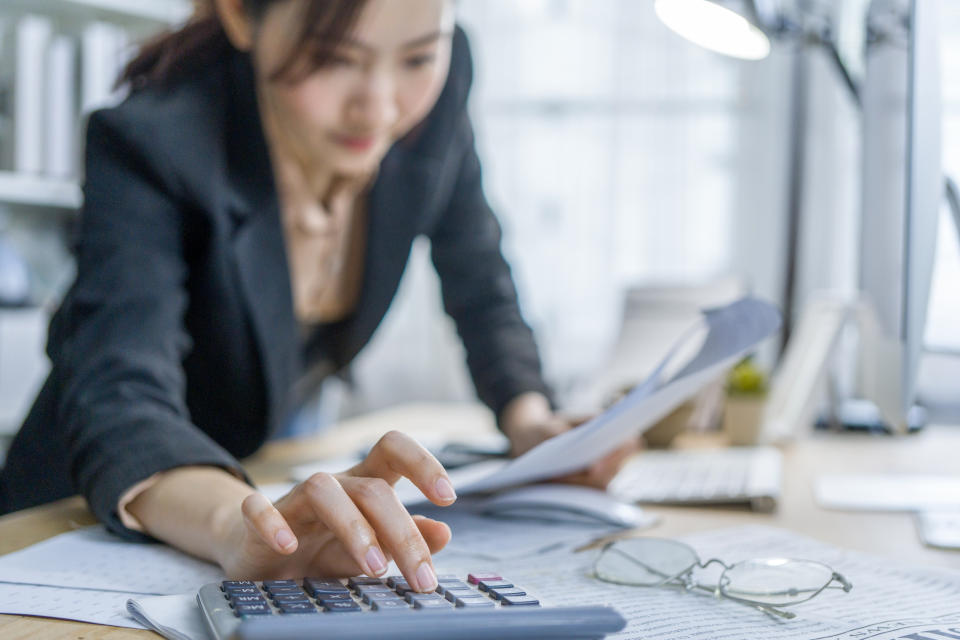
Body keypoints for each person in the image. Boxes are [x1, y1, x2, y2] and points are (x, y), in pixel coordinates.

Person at [0, 0, 637, 593]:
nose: (380, 108)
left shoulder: (440, 92)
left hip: (247, 477)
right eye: (336, 58)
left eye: (417, 58)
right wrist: (242, 527)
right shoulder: (153, 140)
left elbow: (479, 274)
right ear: (241, 15)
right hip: (77, 513)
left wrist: (532, 423)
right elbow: (122, 393)